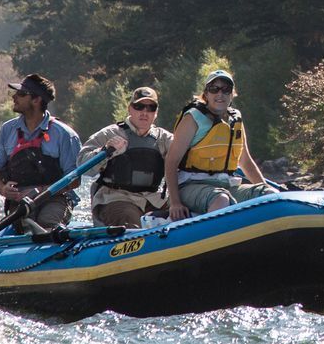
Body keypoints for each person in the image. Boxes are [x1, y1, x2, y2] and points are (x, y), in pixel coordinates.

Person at [165, 69, 268, 219]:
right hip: (190, 186)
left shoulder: (236, 119)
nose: (220, 94)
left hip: (227, 185)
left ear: (232, 94)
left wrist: (266, 189)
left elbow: (245, 161)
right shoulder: (193, 118)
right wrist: (175, 203)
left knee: (269, 194)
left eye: (226, 90)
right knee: (221, 199)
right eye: (214, 89)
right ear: (206, 94)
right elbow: (171, 161)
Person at [0, 72, 82, 232]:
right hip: (20, 203)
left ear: (37, 100)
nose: (14, 97)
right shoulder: (7, 130)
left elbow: (74, 180)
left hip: (55, 199)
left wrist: (40, 191)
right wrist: (3, 188)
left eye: (21, 94)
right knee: (23, 226)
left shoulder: (65, 134)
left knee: (47, 223)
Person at [78, 86, 173, 228]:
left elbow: (186, 157)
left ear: (156, 113)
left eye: (150, 108)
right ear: (130, 109)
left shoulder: (164, 138)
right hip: (115, 197)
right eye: (139, 106)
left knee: (181, 215)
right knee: (130, 220)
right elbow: (82, 164)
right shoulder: (110, 133)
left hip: (152, 199)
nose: (144, 112)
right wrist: (105, 151)